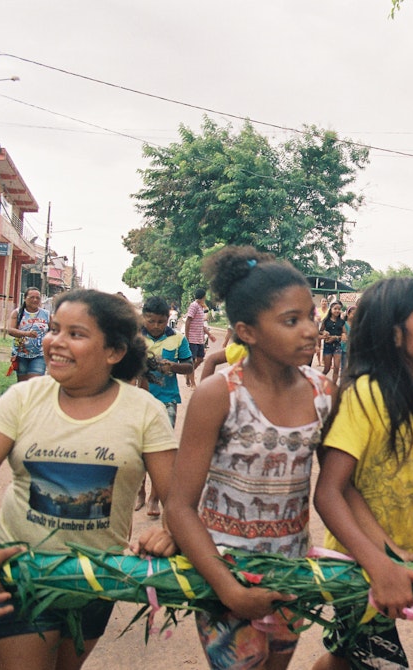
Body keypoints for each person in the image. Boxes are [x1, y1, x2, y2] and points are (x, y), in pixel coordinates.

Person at [0, 289, 178, 669]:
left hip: (98, 580)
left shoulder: (144, 411)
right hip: (22, 577)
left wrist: (170, 531)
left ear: (114, 352)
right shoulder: (22, 399)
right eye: (54, 329)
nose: (55, 341)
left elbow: (178, 501)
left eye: (76, 334)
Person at [165, 247, 334, 670]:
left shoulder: (323, 394)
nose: (311, 330)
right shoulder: (219, 394)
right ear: (247, 332)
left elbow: (337, 491)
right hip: (223, 570)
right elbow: (180, 506)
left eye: (310, 317)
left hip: (291, 572)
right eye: (292, 320)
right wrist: (229, 590)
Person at [312, 277, 413, 670]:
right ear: (395, 335)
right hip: (356, 563)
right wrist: (378, 562)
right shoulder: (366, 394)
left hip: (399, 560)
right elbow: (330, 492)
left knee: (345, 656)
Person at [135, 296, 193, 518]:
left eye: (161, 321)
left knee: (162, 451)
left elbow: (189, 366)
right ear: (144, 318)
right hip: (140, 399)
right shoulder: (136, 338)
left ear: (168, 319)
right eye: (151, 321)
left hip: (167, 399)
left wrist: (173, 366)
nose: (156, 326)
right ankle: (140, 492)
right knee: (139, 448)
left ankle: (154, 498)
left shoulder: (178, 339)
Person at [5, 287, 50, 382]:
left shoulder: (46, 314)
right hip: (21, 355)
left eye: (38, 298)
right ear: (25, 298)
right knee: (23, 384)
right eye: (32, 297)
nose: (35, 300)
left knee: (35, 383)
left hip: (40, 355)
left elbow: (54, 331)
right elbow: (10, 330)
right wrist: (26, 334)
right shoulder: (17, 313)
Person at [184, 287, 216, 387]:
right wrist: (187, 336)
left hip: (199, 338)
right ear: (203, 297)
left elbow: (200, 324)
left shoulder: (200, 307)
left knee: (200, 358)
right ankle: (193, 383)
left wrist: (209, 334)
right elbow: (188, 321)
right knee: (192, 360)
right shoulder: (194, 306)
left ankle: (188, 374)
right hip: (192, 338)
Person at [320, 301, 345, 385]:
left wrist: (335, 337)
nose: (337, 311)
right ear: (331, 309)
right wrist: (324, 332)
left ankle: (333, 386)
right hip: (327, 346)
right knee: (327, 368)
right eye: (335, 309)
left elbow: (344, 335)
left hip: (337, 346)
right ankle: (317, 383)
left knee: (337, 368)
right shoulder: (326, 320)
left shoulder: (341, 322)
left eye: (339, 309)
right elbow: (320, 331)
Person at [340, 304, 356, 376]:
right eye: (353, 314)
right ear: (348, 314)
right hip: (344, 349)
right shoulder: (344, 324)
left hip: (354, 350)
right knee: (344, 368)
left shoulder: (357, 325)